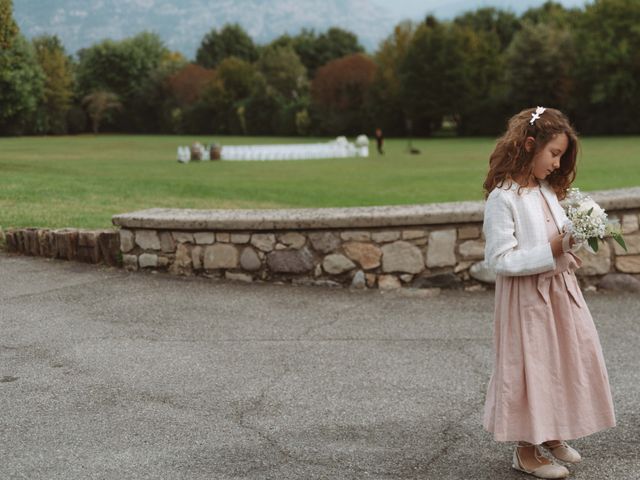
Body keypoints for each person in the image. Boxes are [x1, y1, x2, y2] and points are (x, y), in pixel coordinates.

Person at [481, 107, 616, 479]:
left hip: (560, 291)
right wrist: (552, 250)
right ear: (528, 145)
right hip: (526, 299)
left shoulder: (546, 190)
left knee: (565, 358)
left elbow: (559, 234)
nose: (558, 164)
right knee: (532, 366)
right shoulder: (503, 198)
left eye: (561, 156)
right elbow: (500, 259)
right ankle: (526, 450)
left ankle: (552, 432)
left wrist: (579, 234)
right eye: (554, 154)